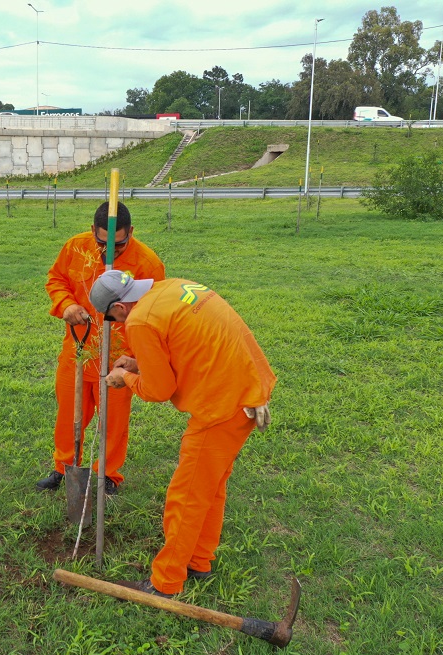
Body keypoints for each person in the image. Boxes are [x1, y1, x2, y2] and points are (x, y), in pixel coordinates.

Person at [89, 269, 276, 598]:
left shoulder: (139, 321)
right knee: (211, 486)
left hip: (221, 403)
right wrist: (136, 362)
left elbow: (160, 388)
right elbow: (178, 344)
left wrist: (126, 380)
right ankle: (199, 560)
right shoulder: (170, 288)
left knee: (187, 495)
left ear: (118, 308)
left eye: (113, 319)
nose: (117, 325)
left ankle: (166, 582)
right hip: (246, 386)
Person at [38, 202, 165, 496]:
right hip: (78, 350)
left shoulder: (148, 264)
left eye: (118, 245)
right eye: (102, 243)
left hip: (120, 355)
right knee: (70, 413)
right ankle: (64, 467)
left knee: (114, 420)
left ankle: (106, 473)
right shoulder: (75, 248)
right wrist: (66, 304)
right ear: (92, 231)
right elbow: (56, 279)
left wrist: (134, 359)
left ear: (130, 232)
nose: (110, 252)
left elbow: (153, 313)